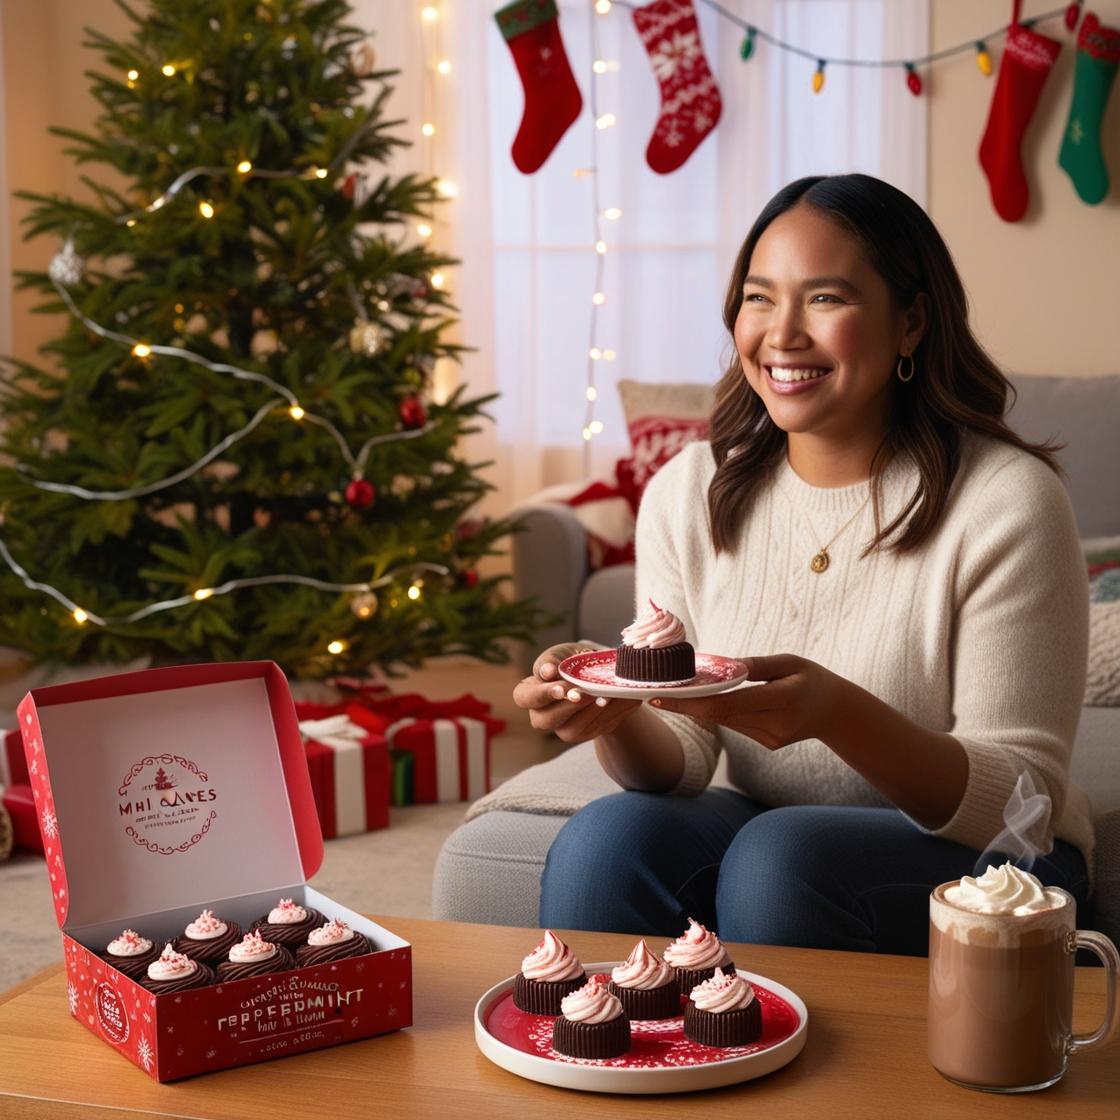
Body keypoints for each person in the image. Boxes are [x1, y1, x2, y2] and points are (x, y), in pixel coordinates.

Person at [512, 173, 1092, 956]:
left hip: (997, 859)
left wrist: (836, 714)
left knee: (777, 859)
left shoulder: (1006, 501)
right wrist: (611, 714)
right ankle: (628, 1067)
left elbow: (1021, 797)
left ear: (911, 322)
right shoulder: (691, 488)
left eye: (825, 299)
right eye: (760, 297)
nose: (781, 335)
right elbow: (680, 762)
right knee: (607, 840)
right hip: (779, 836)